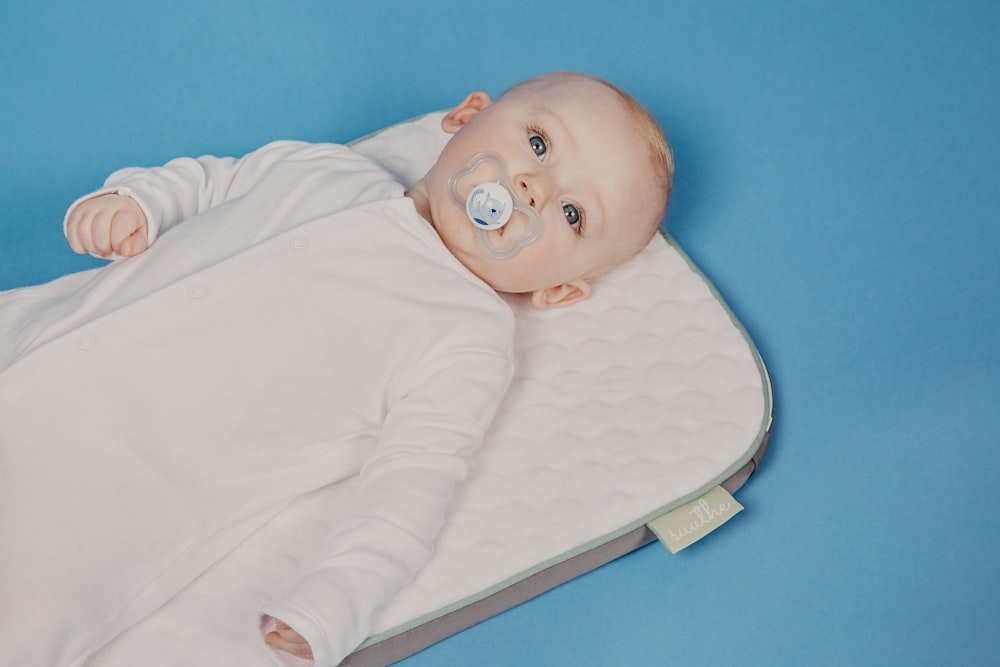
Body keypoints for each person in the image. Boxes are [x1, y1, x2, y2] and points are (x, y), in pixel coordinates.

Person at [0, 71, 672, 666]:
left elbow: (411, 489)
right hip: (37, 337)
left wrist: (335, 599)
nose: (533, 186)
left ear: (557, 289)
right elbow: (213, 179)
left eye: (573, 213)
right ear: (468, 116)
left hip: (110, 497)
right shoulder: (326, 169)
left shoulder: (465, 336)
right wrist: (140, 203)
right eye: (538, 143)